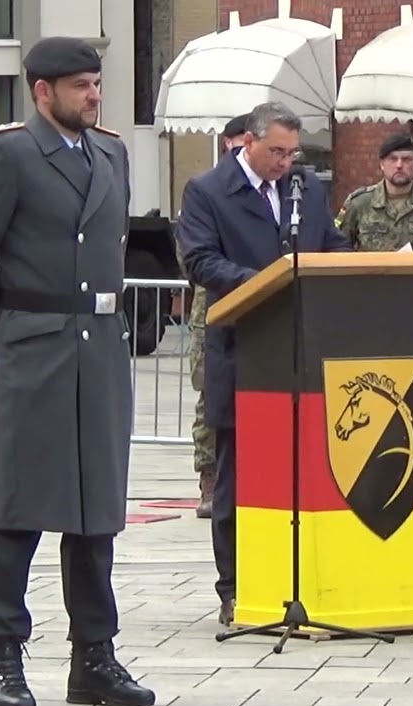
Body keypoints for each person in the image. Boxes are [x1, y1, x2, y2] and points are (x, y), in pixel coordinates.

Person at [0, 36, 155, 706]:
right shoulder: (9, 153)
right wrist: (15, 320)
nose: (95, 95)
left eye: (97, 83)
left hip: (99, 351)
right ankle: (2, 652)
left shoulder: (111, 152)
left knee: (96, 514)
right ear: (43, 92)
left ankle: (94, 656)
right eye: (81, 85)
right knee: (18, 510)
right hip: (35, 346)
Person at [177, 101, 352, 627]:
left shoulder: (306, 189)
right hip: (242, 348)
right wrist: (266, 280)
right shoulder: (207, 191)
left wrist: (354, 264)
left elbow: (332, 244)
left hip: (305, 351)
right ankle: (234, 587)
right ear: (247, 143)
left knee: (304, 473)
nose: (285, 162)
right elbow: (200, 260)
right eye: (276, 151)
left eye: (292, 152)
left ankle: (305, 579)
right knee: (237, 477)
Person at [175, 113, 249, 519]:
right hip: (213, 311)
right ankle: (209, 478)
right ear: (227, 145)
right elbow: (189, 255)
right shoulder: (206, 193)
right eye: (236, 144)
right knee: (210, 397)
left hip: (256, 310)